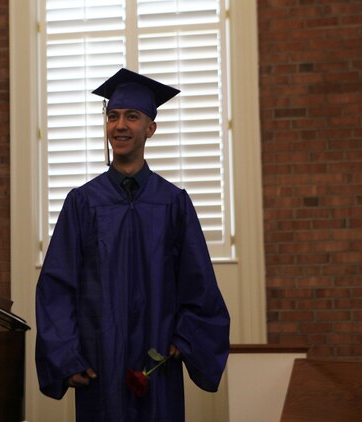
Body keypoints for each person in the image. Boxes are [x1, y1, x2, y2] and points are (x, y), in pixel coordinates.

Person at [35, 68, 231, 421]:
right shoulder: (82, 203)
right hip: (100, 362)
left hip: (155, 363)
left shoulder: (173, 203)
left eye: (132, 116)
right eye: (113, 116)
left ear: (150, 128)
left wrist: (184, 339)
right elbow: (57, 287)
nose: (120, 125)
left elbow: (198, 285)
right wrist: (65, 358)